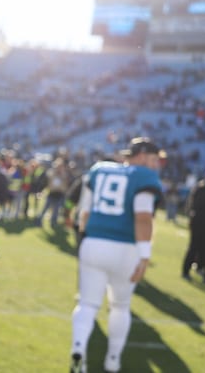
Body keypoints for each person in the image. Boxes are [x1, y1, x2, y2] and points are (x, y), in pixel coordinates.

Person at [70, 138, 164, 373]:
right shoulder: (144, 177)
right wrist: (145, 256)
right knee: (120, 306)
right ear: (142, 155)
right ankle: (113, 359)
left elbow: (84, 213)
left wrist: (85, 240)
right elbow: (143, 218)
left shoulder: (99, 170)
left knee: (87, 304)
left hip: (93, 242)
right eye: (153, 159)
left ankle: (78, 348)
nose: (155, 165)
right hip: (125, 248)